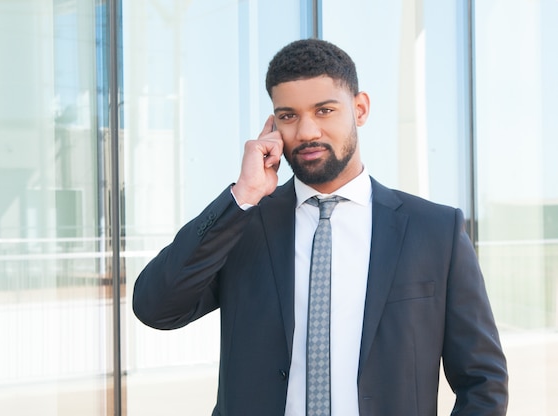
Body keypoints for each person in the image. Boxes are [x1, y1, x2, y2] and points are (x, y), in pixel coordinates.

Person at [132, 39, 508, 416]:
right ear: (274, 124)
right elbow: (155, 308)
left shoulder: (435, 231)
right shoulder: (245, 222)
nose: (308, 131)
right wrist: (243, 195)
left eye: (324, 110)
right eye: (289, 115)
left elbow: (483, 382)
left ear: (360, 109)